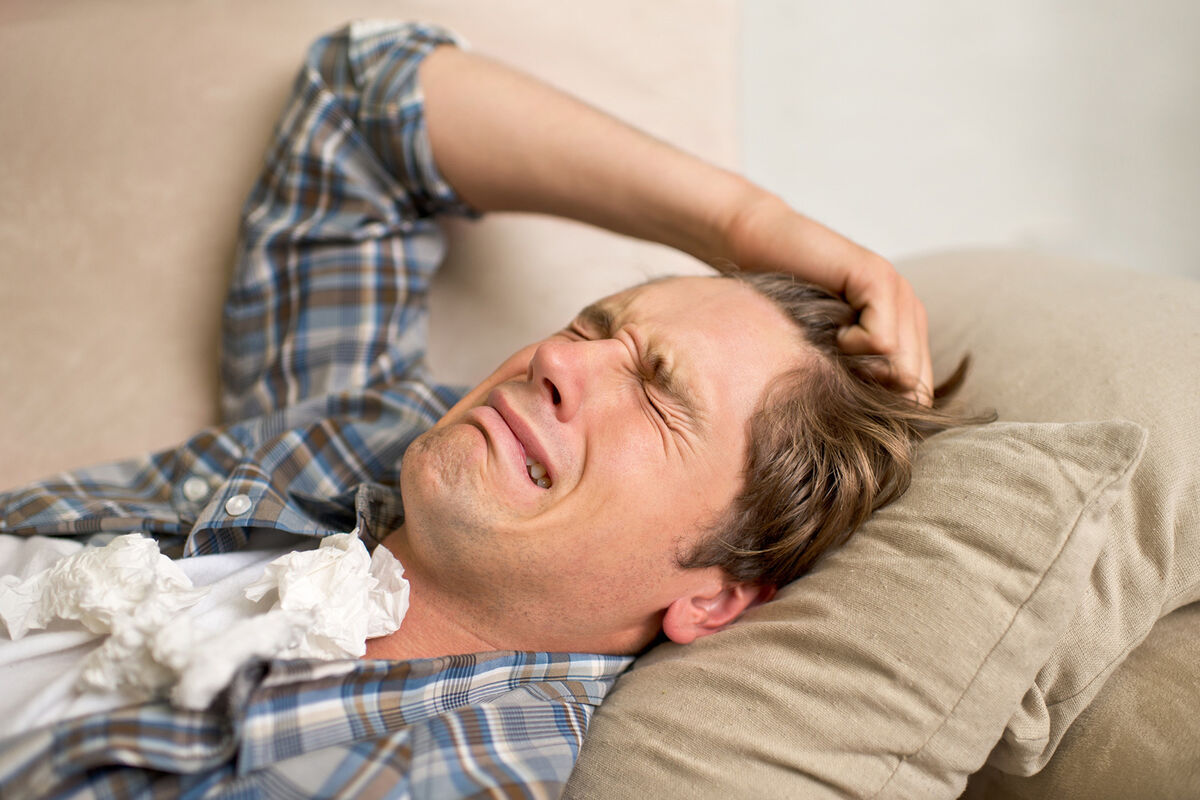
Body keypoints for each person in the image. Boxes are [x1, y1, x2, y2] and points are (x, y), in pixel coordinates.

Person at [0, 20, 962, 799]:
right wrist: (746, 226)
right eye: (593, 328)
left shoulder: (458, 772)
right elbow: (365, 98)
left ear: (712, 596)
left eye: (661, 393)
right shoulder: (363, 432)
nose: (553, 356)